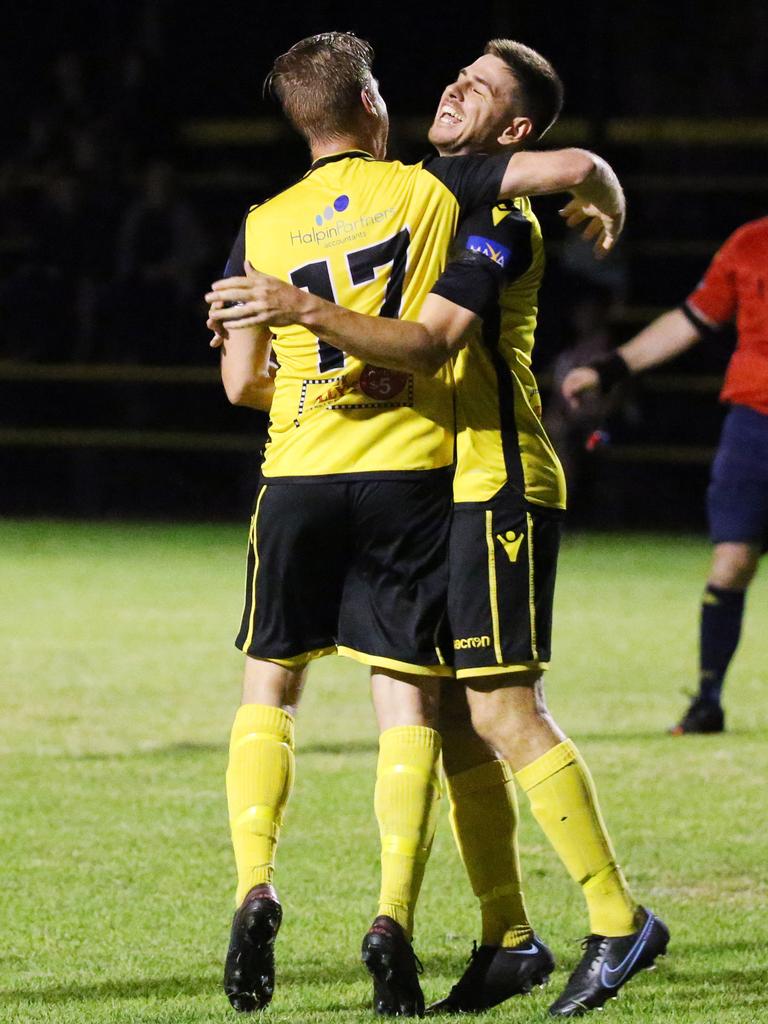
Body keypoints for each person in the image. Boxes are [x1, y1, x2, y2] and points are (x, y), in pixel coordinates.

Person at [211, 38, 667, 1020]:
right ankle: (507, 934)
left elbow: (429, 344)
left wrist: (302, 315)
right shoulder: (428, 197)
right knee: (452, 718)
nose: (452, 86)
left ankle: (619, 919)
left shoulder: (492, 218)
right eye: (454, 72)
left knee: (503, 709)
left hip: (494, 484)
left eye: (482, 89)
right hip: (438, 489)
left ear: (512, 133)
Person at [562, 215, 768, 736]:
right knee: (731, 561)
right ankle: (708, 699)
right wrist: (612, 368)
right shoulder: (751, 241)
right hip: (755, 424)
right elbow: (692, 319)